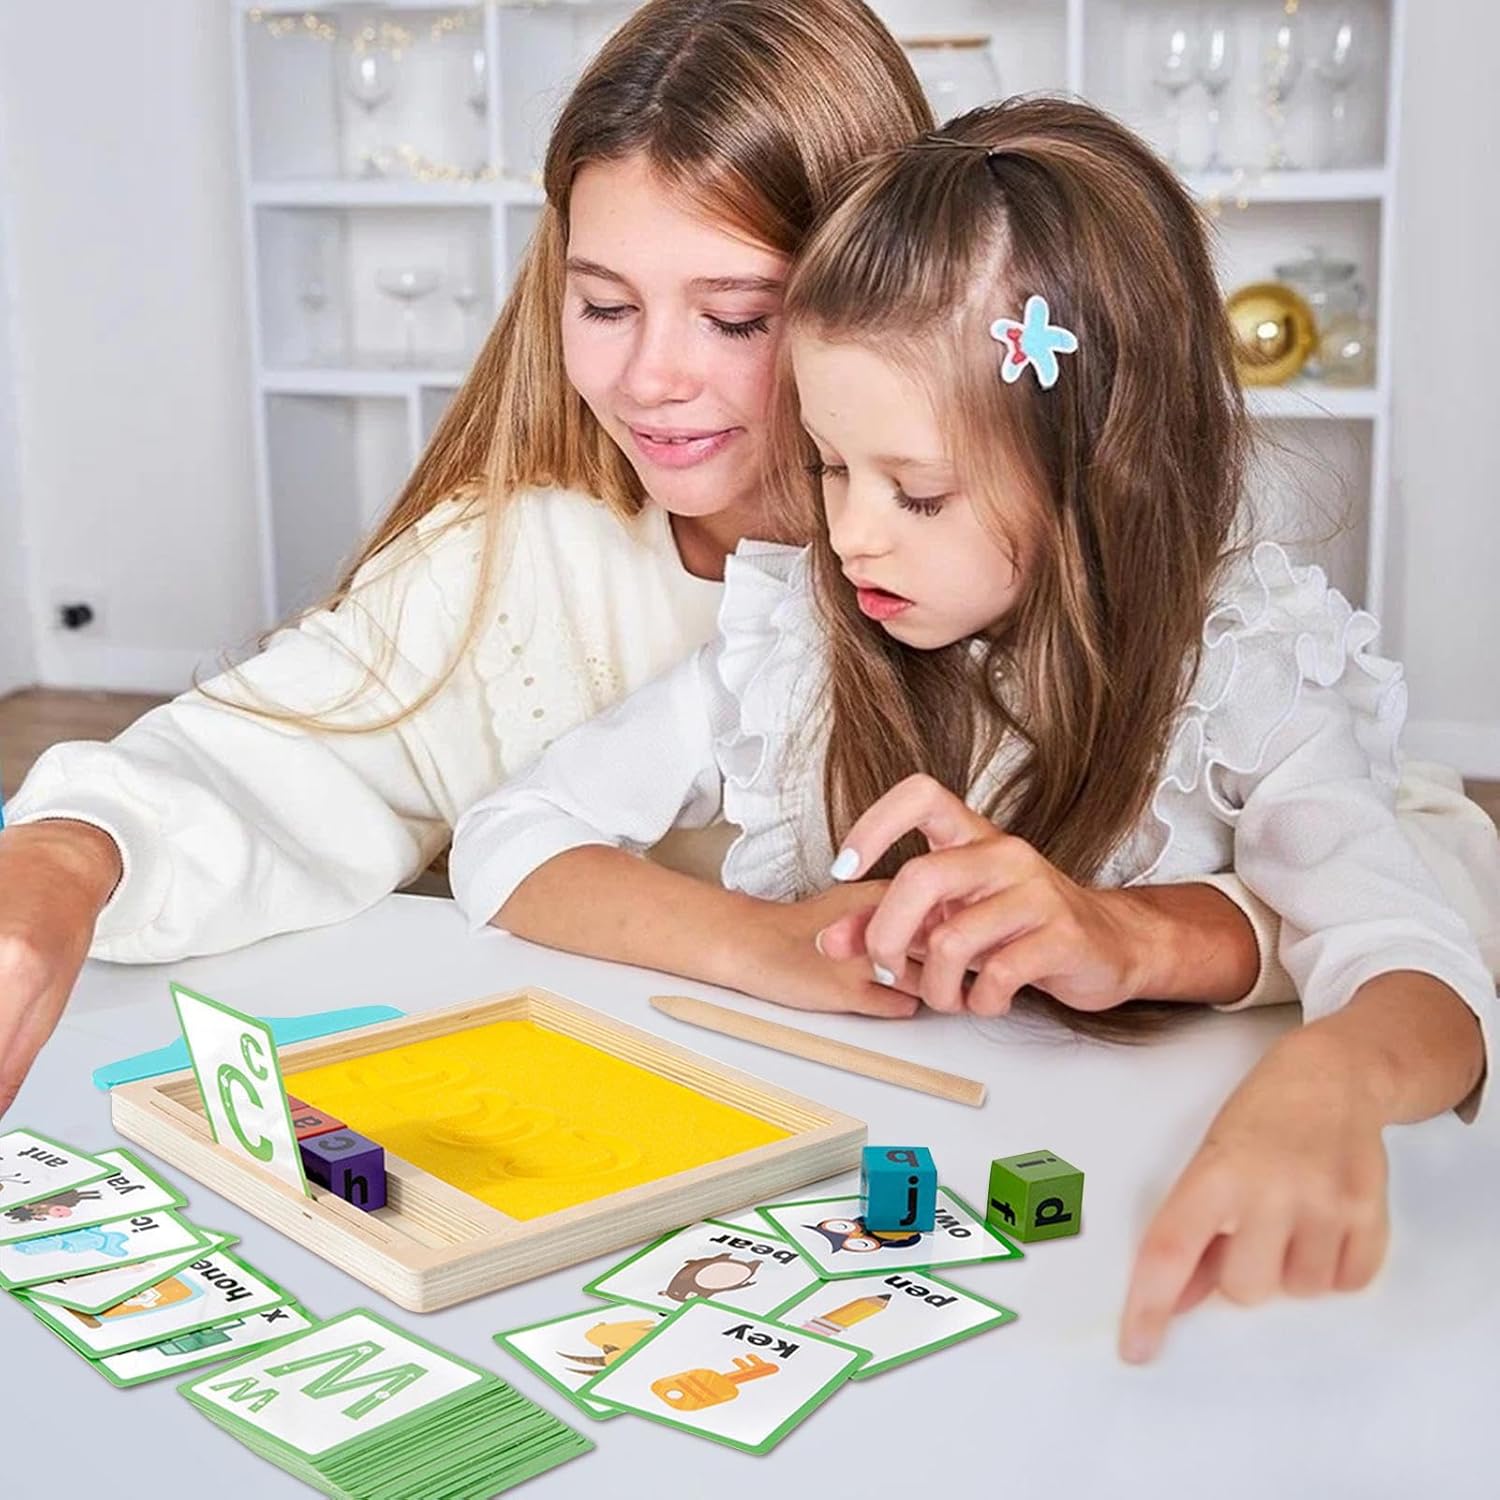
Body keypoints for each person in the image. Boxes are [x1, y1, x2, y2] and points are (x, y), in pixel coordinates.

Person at [447, 98, 1500, 1361]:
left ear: (1100, 467)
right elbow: (508, 836)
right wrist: (763, 942)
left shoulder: (1245, 671)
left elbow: (1417, 962)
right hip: (874, 1247)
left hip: (1127, 1257)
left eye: (920, 491)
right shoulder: (795, 647)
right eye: (830, 466)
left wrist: (1330, 1079)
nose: (852, 536)